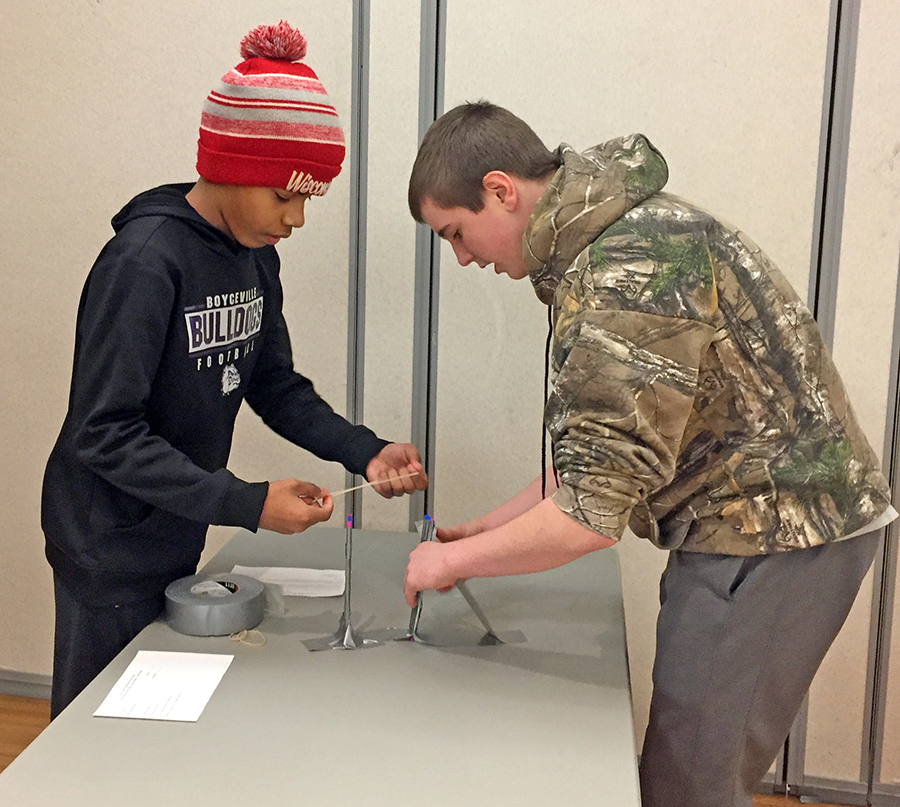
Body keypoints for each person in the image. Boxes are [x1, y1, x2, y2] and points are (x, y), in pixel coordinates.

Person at [402, 100, 895, 807]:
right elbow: (603, 456)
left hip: (776, 532)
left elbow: (589, 516)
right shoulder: (617, 239)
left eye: (456, 232)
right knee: (685, 766)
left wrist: (448, 561)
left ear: (500, 190)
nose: (463, 256)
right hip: (760, 524)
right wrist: (490, 528)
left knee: (691, 785)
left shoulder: (623, 272)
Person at [41, 21, 426, 719]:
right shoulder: (145, 262)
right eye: (285, 195)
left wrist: (363, 452)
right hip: (107, 546)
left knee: (153, 722)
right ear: (229, 166)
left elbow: (273, 383)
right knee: (96, 731)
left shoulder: (253, 258)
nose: (297, 218)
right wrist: (246, 503)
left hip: (177, 527)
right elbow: (104, 432)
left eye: (307, 198)